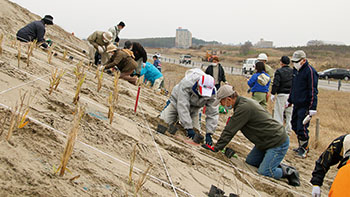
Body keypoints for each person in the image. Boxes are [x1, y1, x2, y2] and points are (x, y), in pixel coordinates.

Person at [205, 85, 299, 186]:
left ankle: (290, 172)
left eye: (221, 102)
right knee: (251, 162)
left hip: (277, 141)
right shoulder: (241, 104)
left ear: (228, 99)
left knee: (265, 172)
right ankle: (271, 162)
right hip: (263, 142)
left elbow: (229, 131)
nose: (222, 105)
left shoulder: (243, 108)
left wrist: (216, 148)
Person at [159, 68, 219, 145]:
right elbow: (182, 106)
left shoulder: (213, 93)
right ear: (198, 84)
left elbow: (213, 113)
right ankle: (173, 120)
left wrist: (209, 133)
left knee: (196, 133)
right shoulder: (187, 83)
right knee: (164, 122)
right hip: (176, 102)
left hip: (195, 109)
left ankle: (180, 126)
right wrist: (188, 127)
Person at [287, 50, 318, 158]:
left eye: (297, 61)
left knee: (302, 127)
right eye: (293, 62)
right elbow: (294, 87)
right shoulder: (295, 71)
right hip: (296, 103)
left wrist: (312, 107)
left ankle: (304, 148)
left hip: (305, 105)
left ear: (303, 60)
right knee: (294, 124)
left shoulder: (310, 72)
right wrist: (290, 100)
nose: (295, 64)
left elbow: (313, 90)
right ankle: (301, 145)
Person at [271, 56, 293, 134]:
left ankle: (278, 130)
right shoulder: (293, 71)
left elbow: (276, 83)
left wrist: (273, 93)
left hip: (281, 94)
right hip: (291, 95)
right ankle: (288, 130)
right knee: (289, 113)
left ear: (281, 62)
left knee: (279, 112)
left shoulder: (279, 71)